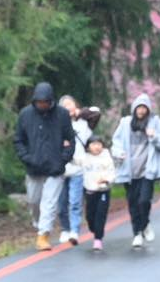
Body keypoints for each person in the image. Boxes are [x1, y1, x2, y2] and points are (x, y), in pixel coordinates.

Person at [13, 81, 75, 250]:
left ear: (51, 100)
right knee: (34, 201)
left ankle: (43, 235)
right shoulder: (25, 115)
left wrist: (64, 158)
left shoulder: (61, 114)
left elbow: (71, 138)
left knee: (49, 202)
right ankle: (39, 224)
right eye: (39, 102)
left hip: (55, 167)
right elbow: (18, 140)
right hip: (34, 167)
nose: (43, 105)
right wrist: (26, 157)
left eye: (45, 102)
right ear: (34, 101)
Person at [111, 93, 160, 249]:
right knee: (132, 203)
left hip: (147, 170)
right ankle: (137, 233)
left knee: (144, 201)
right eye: (139, 107)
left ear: (148, 109)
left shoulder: (155, 122)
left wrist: (154, 136)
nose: (141, 110)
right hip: (129, 171)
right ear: (134, 108)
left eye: (144, 107)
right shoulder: (125, 123)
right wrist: (118, 153)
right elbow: (115, 142)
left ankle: (145, 224)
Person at [56, 95, 90, 245]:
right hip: (60, 168)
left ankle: (75, 231)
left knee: (75, 202)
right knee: (61, 203)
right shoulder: (55, 124)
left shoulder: (83, 123)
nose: (68, 107)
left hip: (78, 168)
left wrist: (79, 113)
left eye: (70, 104)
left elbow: (96, 113)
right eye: (64, 105)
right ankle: (65, 229)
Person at [80, 134, 116, 252]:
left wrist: (107, 180)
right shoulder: (84, 157)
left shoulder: (106, 157)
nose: (97, 147)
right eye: (94, 144)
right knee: (90, 216)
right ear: (88, 146)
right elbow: (73, 161)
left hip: (103, 190)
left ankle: (98, 240)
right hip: (90, 190)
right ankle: (95, 230)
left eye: (99, 144)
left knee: (101, 214)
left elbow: (112, 172)